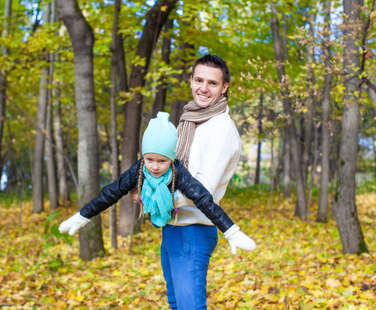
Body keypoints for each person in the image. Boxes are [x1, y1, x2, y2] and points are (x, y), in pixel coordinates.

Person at [59, 112, 256, 308]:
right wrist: (82, 216)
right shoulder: (139, 169)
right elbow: (112, 192)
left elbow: (204, 200)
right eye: (150, 159)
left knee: (189, 305)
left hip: (191, 232)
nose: (154, 167)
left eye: (162, 161)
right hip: (170, 230)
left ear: (171, 158)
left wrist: (231, 231)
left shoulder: (179, 173)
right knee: (175, 302)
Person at [158, 54, 250, 310]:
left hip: (194, 230)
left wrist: (156, 197)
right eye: (199, 80)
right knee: (177, 305)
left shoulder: (220, 128)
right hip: (173, 226)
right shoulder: (190, 121)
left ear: (224, 87)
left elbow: (202, 189)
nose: (203, 88)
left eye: (212, 83)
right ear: (191, 81)